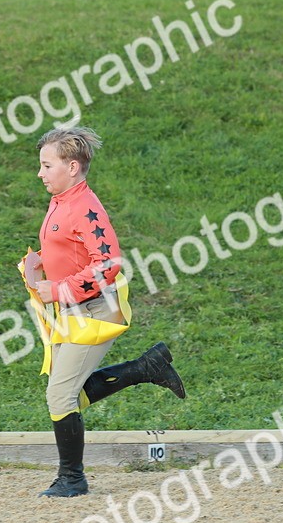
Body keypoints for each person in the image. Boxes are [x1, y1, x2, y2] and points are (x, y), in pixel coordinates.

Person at [21, 126, 186, 498]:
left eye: (47, 166)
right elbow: (73, 249)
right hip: (72, 310)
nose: (40, 173)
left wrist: (58, 288)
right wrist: (42, 262)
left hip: (94, 310)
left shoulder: (85, 207)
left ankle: (72, 479)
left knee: (61, 396)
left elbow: (108, 264)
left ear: (72, 167)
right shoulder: (62, 200)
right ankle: (147, 367)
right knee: (67, 394)